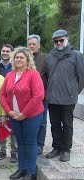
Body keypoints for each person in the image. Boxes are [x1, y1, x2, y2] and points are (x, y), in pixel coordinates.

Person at [0, 47, 44, 180]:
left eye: (21, 57)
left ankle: (31, 172)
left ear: (27, 59)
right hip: (14, 116)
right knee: (20, 142)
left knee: (30, 142)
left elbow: (38, 96)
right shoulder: (9, 75)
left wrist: (24, 113)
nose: (18, 59)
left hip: (32, 115)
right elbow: (2, 94)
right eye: (17, 57)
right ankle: (22, 169)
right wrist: (9, 111)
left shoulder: (33, 74)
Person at [44, 29, 84, 162]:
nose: (59, 43)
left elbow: (82, 77)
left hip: (68, 98)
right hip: (53, 98)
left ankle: (66, 149)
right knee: (54, 124)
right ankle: (57, 147)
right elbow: (48, 76)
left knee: (67, 124)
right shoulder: (50, 57)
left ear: (66, 39)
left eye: (61, 40)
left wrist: (73, 92)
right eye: (56, 41)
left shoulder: (76, 55)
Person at [27, 34, 49, 155]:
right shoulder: (24, 58)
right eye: (29, 44)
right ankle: (30, 143)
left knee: (41, 121)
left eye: (34, 44)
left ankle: (39, 144)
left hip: (41, 97)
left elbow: (50, 77)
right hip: (26, 97)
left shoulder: (45, 58)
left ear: (39, 45)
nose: (31, 46)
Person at [0, 44, 18, 163]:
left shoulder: (15, 66)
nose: (5, 53)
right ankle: (2, 150)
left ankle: (14, 152)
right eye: (3, 50)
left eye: (7, 51)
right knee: (1, 126)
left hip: (12, 101)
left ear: (11, 53)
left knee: (13, 128)